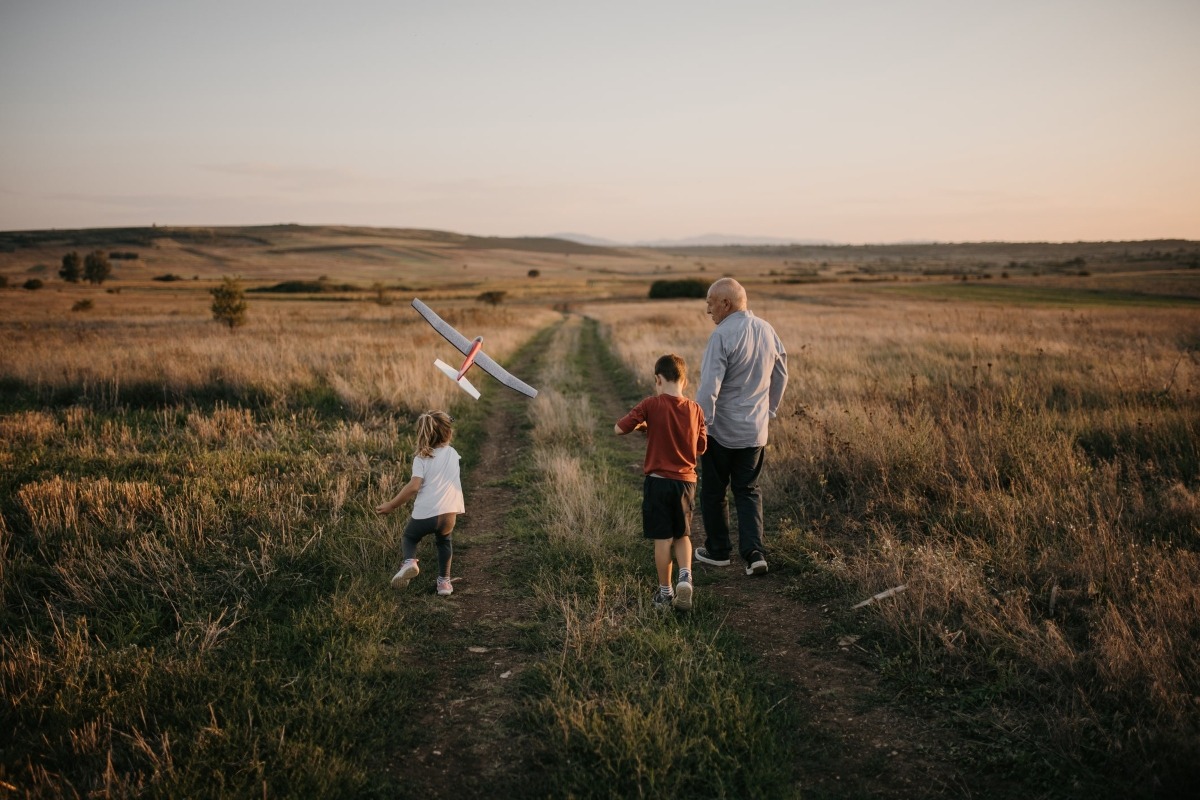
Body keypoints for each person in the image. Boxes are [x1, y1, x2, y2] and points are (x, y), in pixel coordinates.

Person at [694, 277, 788, 576]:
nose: (708, 309)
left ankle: (719, 551)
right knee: (748, 491)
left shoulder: (722, 335)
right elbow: (781, 373)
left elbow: (709, 386)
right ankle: (754, 553)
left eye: (710, 303)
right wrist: (769, 409)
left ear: (726, 303)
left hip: (720, 429)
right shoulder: (766, 329)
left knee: (713, 491)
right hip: (755, 431)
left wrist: (701, 424)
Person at [615, 353, 708, 610]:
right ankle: (685, 577)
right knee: (683, 535)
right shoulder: (696, 409)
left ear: (657, 379)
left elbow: (619, 428)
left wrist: (643, 425)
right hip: (686, 483)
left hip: (658, 483)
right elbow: (701, 447)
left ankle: (665, 593)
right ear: (685, 382)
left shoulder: (650, 405)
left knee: (662, 539)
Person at [376, 410, 464, 597]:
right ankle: (444, 583)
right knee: (444, 541)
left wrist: (392, 505)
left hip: (426, 514)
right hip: (449, 513)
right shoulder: (454, 454)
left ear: (423, 433)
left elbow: (414, 486)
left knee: (409, 537)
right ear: (448, 433)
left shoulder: (421, 458)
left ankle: (409, 562)